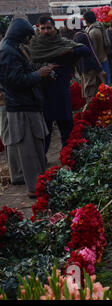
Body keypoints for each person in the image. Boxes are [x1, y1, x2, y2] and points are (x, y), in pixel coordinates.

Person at [0, 18, 57, 198]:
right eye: (27, 36)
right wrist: (39, 74)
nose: (28, 40)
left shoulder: (14, 48)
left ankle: (40, 183)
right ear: (20, 34)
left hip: (28, 104)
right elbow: (16, 81)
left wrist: (42, 73)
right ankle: (35, 188)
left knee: (37, 146)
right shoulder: (7, 52)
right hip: (20, 107)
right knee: (29, 149)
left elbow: (25, 72)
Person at [30, 16, 90, 155]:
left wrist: (69, 51)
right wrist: (42, 69)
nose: (46, 31)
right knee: (45, 130)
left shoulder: (63, 43)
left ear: (54, 28)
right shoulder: (34, 45)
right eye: (43, 28)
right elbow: (29, 64)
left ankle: (68, 156)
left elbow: (85, 50)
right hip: (42, 94)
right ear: (38, 29)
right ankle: (41, 159)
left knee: (66, 127)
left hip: (61, 93)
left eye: (49, 28)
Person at [73, 30, 106, 105]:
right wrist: (100, 69)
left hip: (83, 70)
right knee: (93, 93)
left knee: (88, 93)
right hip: (91, 69)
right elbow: (92, 52)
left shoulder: (75, 37)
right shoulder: (84, 36)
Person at [84, 11, 111, 85]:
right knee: (107, 84)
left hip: (99, 62)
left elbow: (93, 52)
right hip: (104, 58)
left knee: (103, 87)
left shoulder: (92, 32)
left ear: (86, 20)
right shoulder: (100, 26)